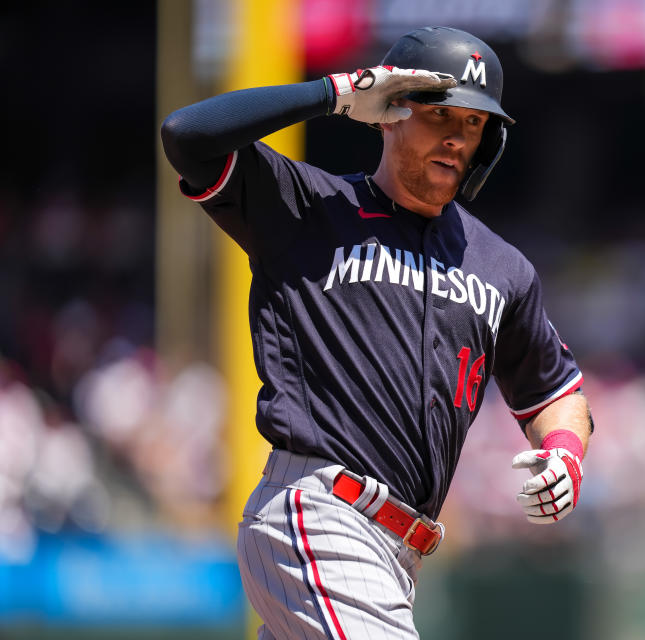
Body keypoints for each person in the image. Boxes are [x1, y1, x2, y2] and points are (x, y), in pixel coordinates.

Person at [161, 26, 594, 639]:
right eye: (438, 114)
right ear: (388, 113)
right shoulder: (306, 208)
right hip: (321, 513)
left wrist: (565, 455)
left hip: (400, 555)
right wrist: (334, 92)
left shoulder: (501, 269)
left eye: (472, 123)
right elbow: (187, 136)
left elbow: (557, 394)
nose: (455, 138)